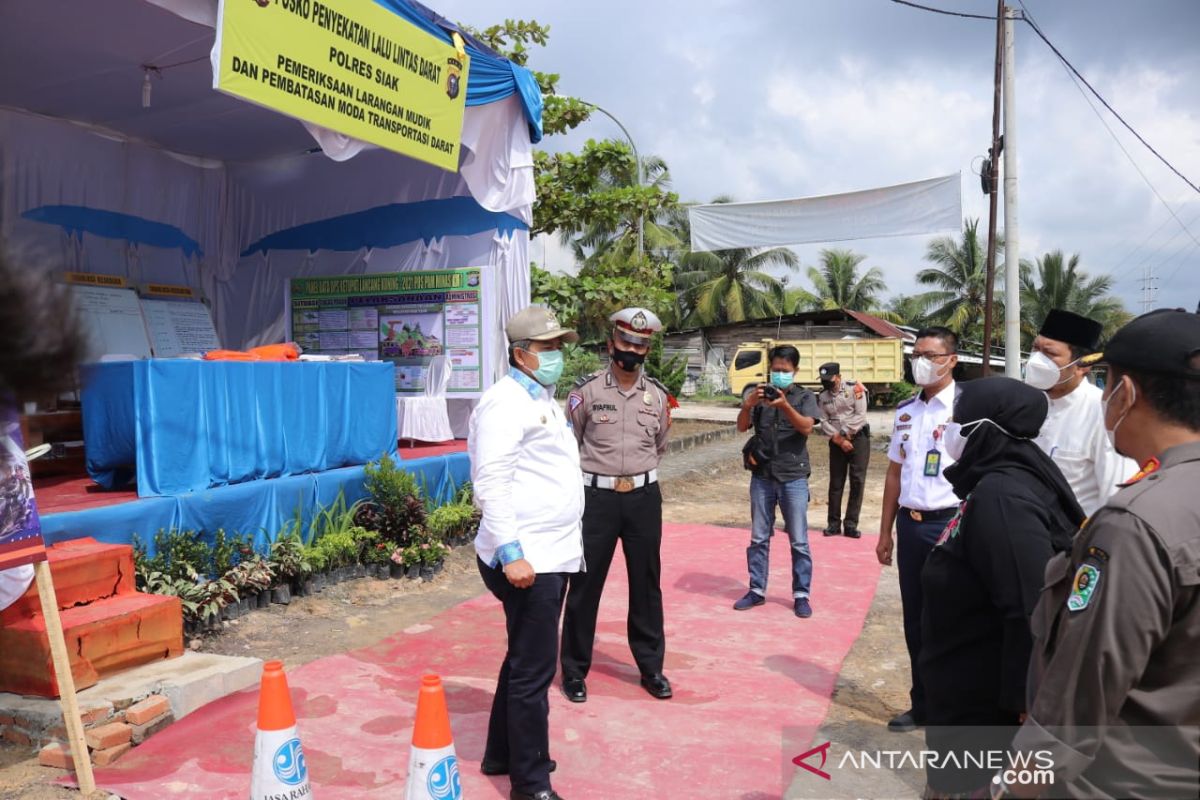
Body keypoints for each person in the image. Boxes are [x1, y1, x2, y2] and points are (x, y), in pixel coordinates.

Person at [999, 309, 1200, 800]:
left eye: (1109, 383)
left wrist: (1017, 788)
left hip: (1126, 780)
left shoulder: (1132, 524)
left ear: (1124, 394)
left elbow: (1078, 696)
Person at [918, 378, 1084, 797]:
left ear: (984, 429)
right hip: (965, 695)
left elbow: (1029, 607)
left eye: (959, 420)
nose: (949, 428)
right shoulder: (996, 484)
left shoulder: (1002, 496)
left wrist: (1027, 709)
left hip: (985, 713)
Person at [469, 305, 584, 800]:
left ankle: (503, 752)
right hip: (528, 559)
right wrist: (512, 553)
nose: (558, 353)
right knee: (534, 672)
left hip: (552, 552)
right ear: (521, 354)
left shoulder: (540, 398)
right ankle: (531, 783)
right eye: (549, 347)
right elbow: (490, 482)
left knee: (523, 659)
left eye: (561, 345)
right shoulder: (503, 403)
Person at [560, 307, 674, 703]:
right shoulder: (586, 392)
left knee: (646, 585)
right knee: (585, 586)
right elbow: (569, 444)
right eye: (626, 342)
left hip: (643, 499)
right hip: (597, 499)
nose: (632, 350)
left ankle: (651, 668)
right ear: (611, 344)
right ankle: (574, 671)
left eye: (641, 345)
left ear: (647, 350)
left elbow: (658, 446)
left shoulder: (657, 396)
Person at [876, 326, 960, 734]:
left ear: (952, 360)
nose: (921, 362)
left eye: (930, 354)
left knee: (953, 618)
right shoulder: (906, 411)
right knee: (916, 620)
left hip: (952, 526)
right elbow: (895, 473)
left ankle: (953, 706)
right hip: (911, 528)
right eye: (916, 354)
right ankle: (922, 703)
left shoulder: (968, 408)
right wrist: (884, 532)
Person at [732, 345, 822, 617]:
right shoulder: (758, 396)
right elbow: (741, 426)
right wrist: (748, 404)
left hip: (793, 476)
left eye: (785, 370)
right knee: (759, 537)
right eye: (776, 370)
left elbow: (807, 427)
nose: (779, 375)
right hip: (762, 476)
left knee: (799, 540)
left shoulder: (805, 396)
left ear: (795, 370)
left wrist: (784, 405)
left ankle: (801, 595)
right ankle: (757, 590)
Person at [1025, 309, 1136, 516]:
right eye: (1035, 349)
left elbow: (1115, 494)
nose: (1037, 359)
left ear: (1083, 365)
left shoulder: (1103, 414)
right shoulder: (1024, 404)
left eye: (1050, 353)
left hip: (1072, 540)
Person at [816, 361, 870, 539]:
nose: (826, 383)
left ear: (838, 377)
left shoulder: (855, 389)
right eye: (823, 380)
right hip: (837, 441)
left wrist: (845, 434)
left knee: (857, 481)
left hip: (858, 438)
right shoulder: (823, 396)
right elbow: (823, 421)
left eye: (829, 379)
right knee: (836, 482)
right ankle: (833, 524)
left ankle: (851, 524)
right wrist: (839, 440)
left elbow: (860, 415)